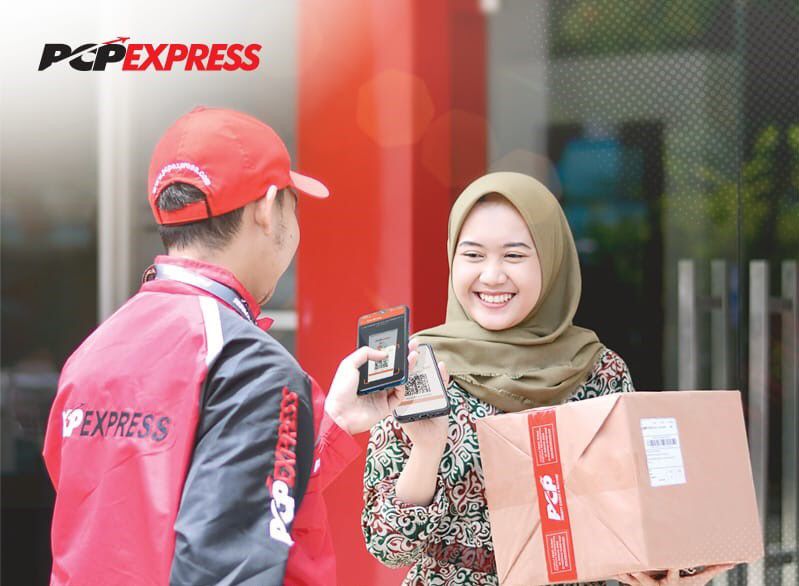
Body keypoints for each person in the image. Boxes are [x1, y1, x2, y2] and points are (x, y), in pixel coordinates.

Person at [42, 106, 409, 586]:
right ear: (267, 208)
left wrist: (331, 425)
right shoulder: (248, 365)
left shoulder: (93, 352)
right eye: (294, 205)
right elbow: (233, 564)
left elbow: (159, 508)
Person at [361, 172, 732, 586]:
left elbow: (631, 521)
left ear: (552, 261)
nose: (492, 276)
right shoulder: (418, 368)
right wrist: (427, 451)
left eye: (514, 255)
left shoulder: (599, 371)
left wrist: (666, 572)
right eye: (473, 255)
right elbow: (388, 546)